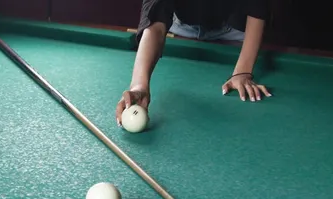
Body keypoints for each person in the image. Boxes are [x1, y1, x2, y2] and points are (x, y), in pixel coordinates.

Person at [116, 0, 272, 126]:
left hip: (232, 28)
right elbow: (155, 23)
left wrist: (242, 72)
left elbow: (257, 7)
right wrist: (139, 85)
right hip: (183, 27)